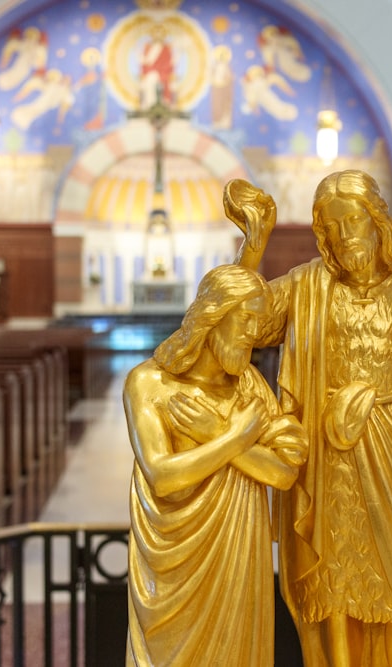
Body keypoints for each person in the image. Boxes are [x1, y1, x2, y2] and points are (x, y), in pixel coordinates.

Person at [242, 169, 392, 666]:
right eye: (331, 227)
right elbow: (248, 320)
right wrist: (253, 244)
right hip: (329, 462)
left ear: (378, 222)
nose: (344, 235)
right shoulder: (309, 283)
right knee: (336, 586)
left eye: (352, 220)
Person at [123, 263, 307, 666]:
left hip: (239, 552)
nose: (254, 334)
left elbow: (284, 472)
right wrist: (236, 437)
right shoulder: (149, 384)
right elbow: (162, 476)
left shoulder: (251, 385)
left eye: (260, 323)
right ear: (214, 315)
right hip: (172, 563)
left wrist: (215, 432)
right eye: (246, 320)